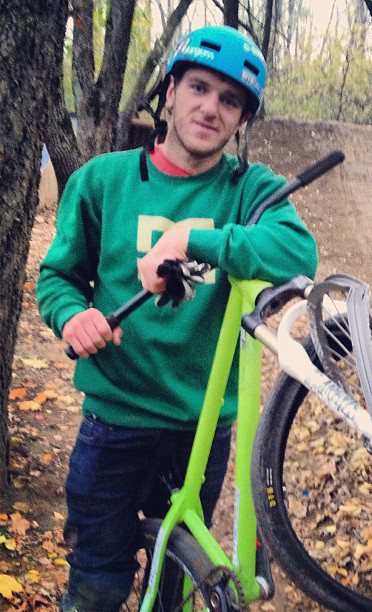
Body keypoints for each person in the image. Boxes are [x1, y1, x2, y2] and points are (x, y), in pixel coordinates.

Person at [36, 25, 317, 611]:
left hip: (200, 434)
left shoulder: (250, 191)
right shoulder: (103, 181)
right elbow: (58, 277)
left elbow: (297, 254)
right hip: (113, 423)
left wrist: (194, 239)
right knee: (95, 586)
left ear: (242, 119)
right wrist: (72, 317)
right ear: (169, 92)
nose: (210, 108)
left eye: (230, 100)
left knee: (178, 592)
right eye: (198, 88)